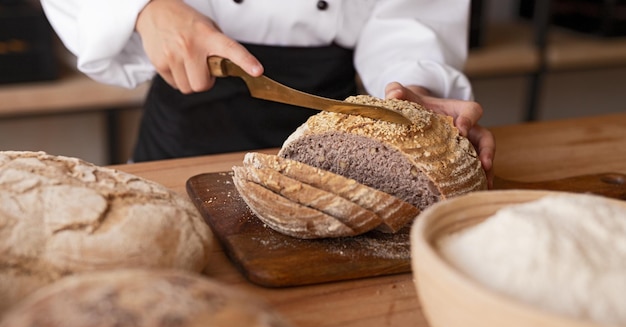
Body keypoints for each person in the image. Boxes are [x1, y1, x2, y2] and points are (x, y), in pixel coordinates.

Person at [40, 0, 494, 186]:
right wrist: (143, 8)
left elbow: (407, 16)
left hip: (332, 137)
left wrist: (410, 89)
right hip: (185, 126)